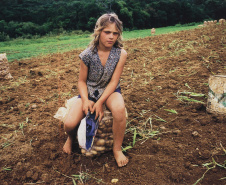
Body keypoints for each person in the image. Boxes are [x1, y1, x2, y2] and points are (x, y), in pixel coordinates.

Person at [63, 13, 128, 167]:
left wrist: (100, 102)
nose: (111, 37)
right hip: (90, 90)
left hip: (110, 90)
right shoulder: (87, 55)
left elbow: (114, 82)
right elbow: (81, 81)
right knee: (69, 124)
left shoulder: (121, 54)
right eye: (107, 32)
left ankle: (117, 149)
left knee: (119, 109)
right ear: (98, 31)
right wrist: (85, 100)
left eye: (115, 33)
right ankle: (71, 138)